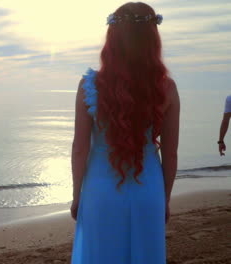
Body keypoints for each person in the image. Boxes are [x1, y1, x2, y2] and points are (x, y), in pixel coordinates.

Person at [70, 2, 179, 264]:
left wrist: (76, 196)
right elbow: (171, 154)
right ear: (153, 38)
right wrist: (164, 199)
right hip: (148, 191)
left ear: (112, 37)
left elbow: (80, 149)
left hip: (101, 191)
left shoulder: (90, 85)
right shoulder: (167, 88)